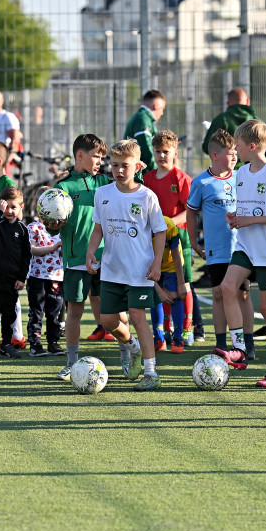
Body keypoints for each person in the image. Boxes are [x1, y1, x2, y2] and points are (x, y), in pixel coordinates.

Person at [216, 120, 266, 387]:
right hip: (246, 246)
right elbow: (247, 209)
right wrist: (235, 216)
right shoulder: (241, 173)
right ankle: (239, 349)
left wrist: (251, 220)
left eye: (237, 145)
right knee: (227, 287)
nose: (234, 150)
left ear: (252, 146)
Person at [85, 139, 166, 391]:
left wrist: (156, 263)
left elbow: (160, 232)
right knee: (107, 320)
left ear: (138, 166)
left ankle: (151, 373)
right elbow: (98, 228)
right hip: (111, 270)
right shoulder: (103, 194)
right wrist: (91, 252)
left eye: (125, 166)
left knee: (138, 317)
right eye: (115, 165)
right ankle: (133, 347)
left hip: (139, 272)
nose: (119, 170)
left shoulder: (147, 196)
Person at [55, 134, 115, 381]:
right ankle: (71, 362)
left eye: (102, 157)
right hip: (76, 259)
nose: (100, 161)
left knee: (111, 314)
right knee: (75, 312)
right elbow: (52, 224)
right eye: (96, 156)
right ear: (80, 155)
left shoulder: (106, 182)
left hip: (107, 258)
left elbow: (129, 191)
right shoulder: (63, 187)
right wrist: (52, 224)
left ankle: (127, 354)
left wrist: (139, 172)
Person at [186, 129, 243, 358]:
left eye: (236, 152)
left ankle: (244, 344)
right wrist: (193, 242)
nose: (235, 156)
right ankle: (221, 343)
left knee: (243, 295)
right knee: (218, 294)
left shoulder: (242, 177)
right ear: (215, 155)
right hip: (216, 249)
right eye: (230, 153)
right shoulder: (201, 182)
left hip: (242, 248)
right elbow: (191, 212)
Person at [143, 130, 201, 345]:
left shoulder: (182, 179)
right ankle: (164, 330)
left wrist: (167, 224)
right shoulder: (147, 179)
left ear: (175, 152)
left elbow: (190, 212)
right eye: (157, 151)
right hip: (153, 239)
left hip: (179, 237)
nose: (161, 156)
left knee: (183, 284)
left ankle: (186, 329)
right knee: (160, 283)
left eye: (166, 151)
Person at [0, 188, 31, 359]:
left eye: (13, 207)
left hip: (12, 281)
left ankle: (7, 344)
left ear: (21, 207)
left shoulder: (22, 230)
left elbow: (26, 256)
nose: (9, 211)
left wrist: (21, 278)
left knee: (9, 314)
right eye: (6, 207)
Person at [26, 194, 64, 357]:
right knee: (37, 311)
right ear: (38, 206)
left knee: (54, 312)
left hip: (56, 277)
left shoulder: (63, 228)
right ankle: (35, 344)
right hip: (37, 276)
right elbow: (32, 249)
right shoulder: (33, 227)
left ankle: (53, 342)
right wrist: (52, 248)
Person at [150, 215, 187, 353]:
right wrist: (159, 291)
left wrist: (181, 283)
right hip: (150, 265)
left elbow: (176, 254)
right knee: (155, 298)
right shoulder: (138, 227)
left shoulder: (168, 225)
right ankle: (159, 339)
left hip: (171, 265)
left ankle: (178, 338)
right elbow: (140, 261)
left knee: (175, 296)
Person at [202, 88, 257, 157]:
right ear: (248, 102)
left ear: (228, 103)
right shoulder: (257, 122)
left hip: (228, 163)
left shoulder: (221, 120)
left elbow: (208, 147)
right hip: (252, 163)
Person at [124, 89, 166, 176]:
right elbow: (146, 150)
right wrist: (157, 172)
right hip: (141, 174)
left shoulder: (142, 118)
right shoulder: (143, 119)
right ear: (156, 106)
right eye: (162, 109)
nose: (162, 113)